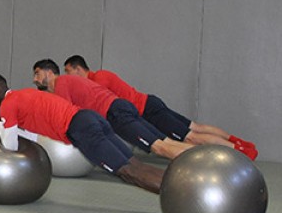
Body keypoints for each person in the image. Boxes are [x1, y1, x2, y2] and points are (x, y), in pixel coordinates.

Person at [0, 73, 164, 194]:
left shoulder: (8, 105)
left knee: (128, 173)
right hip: (89, 118)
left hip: (82, 128)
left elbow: (10, 146)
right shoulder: (22, 95)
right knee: (135, 165)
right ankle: (174, 183)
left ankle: (175, 193)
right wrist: (4, 122)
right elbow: (34, 138)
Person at [63, 55, 258, 159]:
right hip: (149, 103)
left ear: (79, 68)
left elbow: (107, 104)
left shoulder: (98, 79)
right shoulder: (101, 76)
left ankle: (239, 151)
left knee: (192, 136)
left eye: (69, 71)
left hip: (146, 109)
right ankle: (240, 144)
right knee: (195, 128)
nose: (69, 76)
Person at [33, 59, 195, 160]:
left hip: (116, 114)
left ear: (49, 73)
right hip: (120, 107)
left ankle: (200, 164)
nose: (35, 79)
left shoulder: (61, 83)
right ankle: (203, 158)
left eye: (37, 74)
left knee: (159, 148)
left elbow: (65, 117)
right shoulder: (68, 82)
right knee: (165, 142)